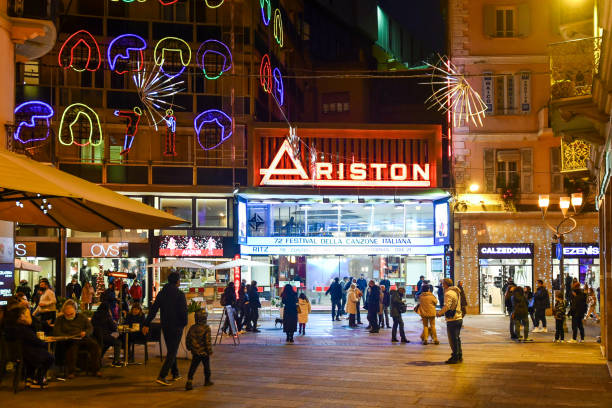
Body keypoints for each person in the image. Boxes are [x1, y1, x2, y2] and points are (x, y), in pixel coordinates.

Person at [143, 271, 188, 386]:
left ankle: (175, 373)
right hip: (177, 326)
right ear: (177, 281)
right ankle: (162, 375)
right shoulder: (180, 294)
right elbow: (184, 312)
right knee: (172, 352)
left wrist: (146, 323)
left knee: (171, 350)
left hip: (166, 326)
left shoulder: (161, 294)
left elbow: (153, 310)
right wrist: (184, 324)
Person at [4, 305, 54, 388]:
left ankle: (30, 378)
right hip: (27, 353)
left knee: (36, 353)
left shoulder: (10, 328)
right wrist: (44, 343)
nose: (25, 316)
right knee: (50, 358)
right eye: (23, 314)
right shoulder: (22, 328)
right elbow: (35, 340)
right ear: (19, 317)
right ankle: (38, 380)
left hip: (17, 354)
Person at [53, 300, 102, 378]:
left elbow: (90, 328)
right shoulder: (60, 319)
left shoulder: (82, 317)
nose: (69, 316)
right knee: (72, 349)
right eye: (67, 314)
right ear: (64, 312)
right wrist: (66, 336)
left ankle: (96, 370)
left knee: (95, 346)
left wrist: (85, 333)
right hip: (69, 340)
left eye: (71, 314)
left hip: (82, 338)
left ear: (75, 311)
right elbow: (56, 332)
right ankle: (71, 372)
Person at [436, 278, 463, 364]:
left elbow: (447, 306)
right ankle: (459, 355)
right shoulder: (456, 291)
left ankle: (455, 357)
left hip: (453, 319)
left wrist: (440, 313)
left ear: (446, 284)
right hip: (459, 317)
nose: (442, 285)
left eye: (443, 283)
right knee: (457, 338)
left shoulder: (448, 293)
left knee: (453, 339)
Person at [185, 310, 213, 390]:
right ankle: (207, 381)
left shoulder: (192, 327)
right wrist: (209, 351)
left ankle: (189, 381)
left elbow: (188, 338)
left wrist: (189, 347)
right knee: (206, 367)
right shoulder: (206, 328)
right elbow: (207, 341)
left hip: (195, 352)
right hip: (204, 352)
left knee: (193, 367)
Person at [92, 302, 123, 367]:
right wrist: (112, 319)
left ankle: (98, 359)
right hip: (105, 336)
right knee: (118, 342)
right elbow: (114, 328)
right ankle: (116, 361)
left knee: (106, 343)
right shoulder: (107, 316)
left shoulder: (95, 315)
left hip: (96, 336)